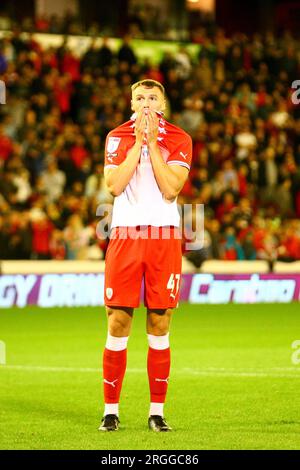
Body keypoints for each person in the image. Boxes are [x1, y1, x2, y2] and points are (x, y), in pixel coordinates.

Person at [99, 79, 192, 432]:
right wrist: (138, 143)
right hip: (125, 236)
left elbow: (171, 188)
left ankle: (156, 412)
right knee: (118, 322)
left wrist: (153, 145)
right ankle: (111, 411)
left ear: (163, 105)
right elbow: (114, 186)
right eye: (140, 98)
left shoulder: (179, 139)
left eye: (153, 98)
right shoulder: (116, 137)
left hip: (163, 238)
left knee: (160, 324)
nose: (146, 103)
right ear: (132, 104)